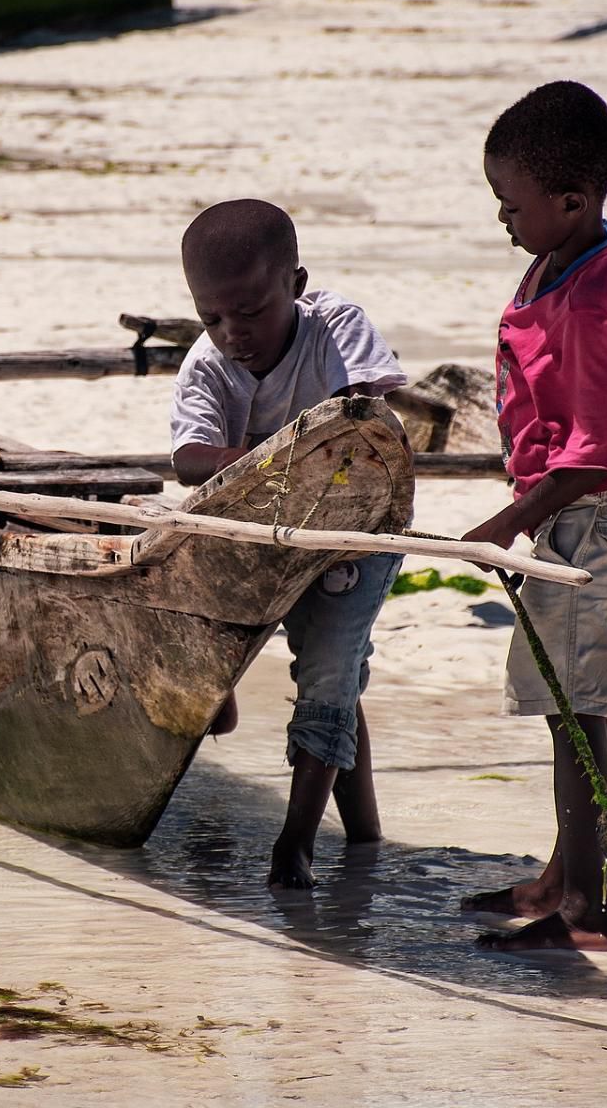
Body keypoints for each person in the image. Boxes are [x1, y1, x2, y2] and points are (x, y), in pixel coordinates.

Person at [458, 81, 607, 950]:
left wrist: (510, 522)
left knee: (576, 713)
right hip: (600, 517)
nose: (503, 218)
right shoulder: (572, 258)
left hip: (592, 519)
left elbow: (594, 449)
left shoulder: (582, 302)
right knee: (590, 704)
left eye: (512, 203)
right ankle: (560, 875)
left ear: (573, 201)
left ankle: (584, 909)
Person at [170, 198, 408, 889]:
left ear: (295, 286)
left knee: (330, 676)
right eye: (211, 318)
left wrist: (284, 462)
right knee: (323, 676)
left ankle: (293, 848)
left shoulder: (335, 327)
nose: (231, 333)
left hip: (355, 532)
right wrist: (277, 460)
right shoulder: (208, 366)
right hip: (260, 535)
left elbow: (364, 415)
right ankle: (364, 838)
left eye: (248, 312)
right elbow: (189, 461)